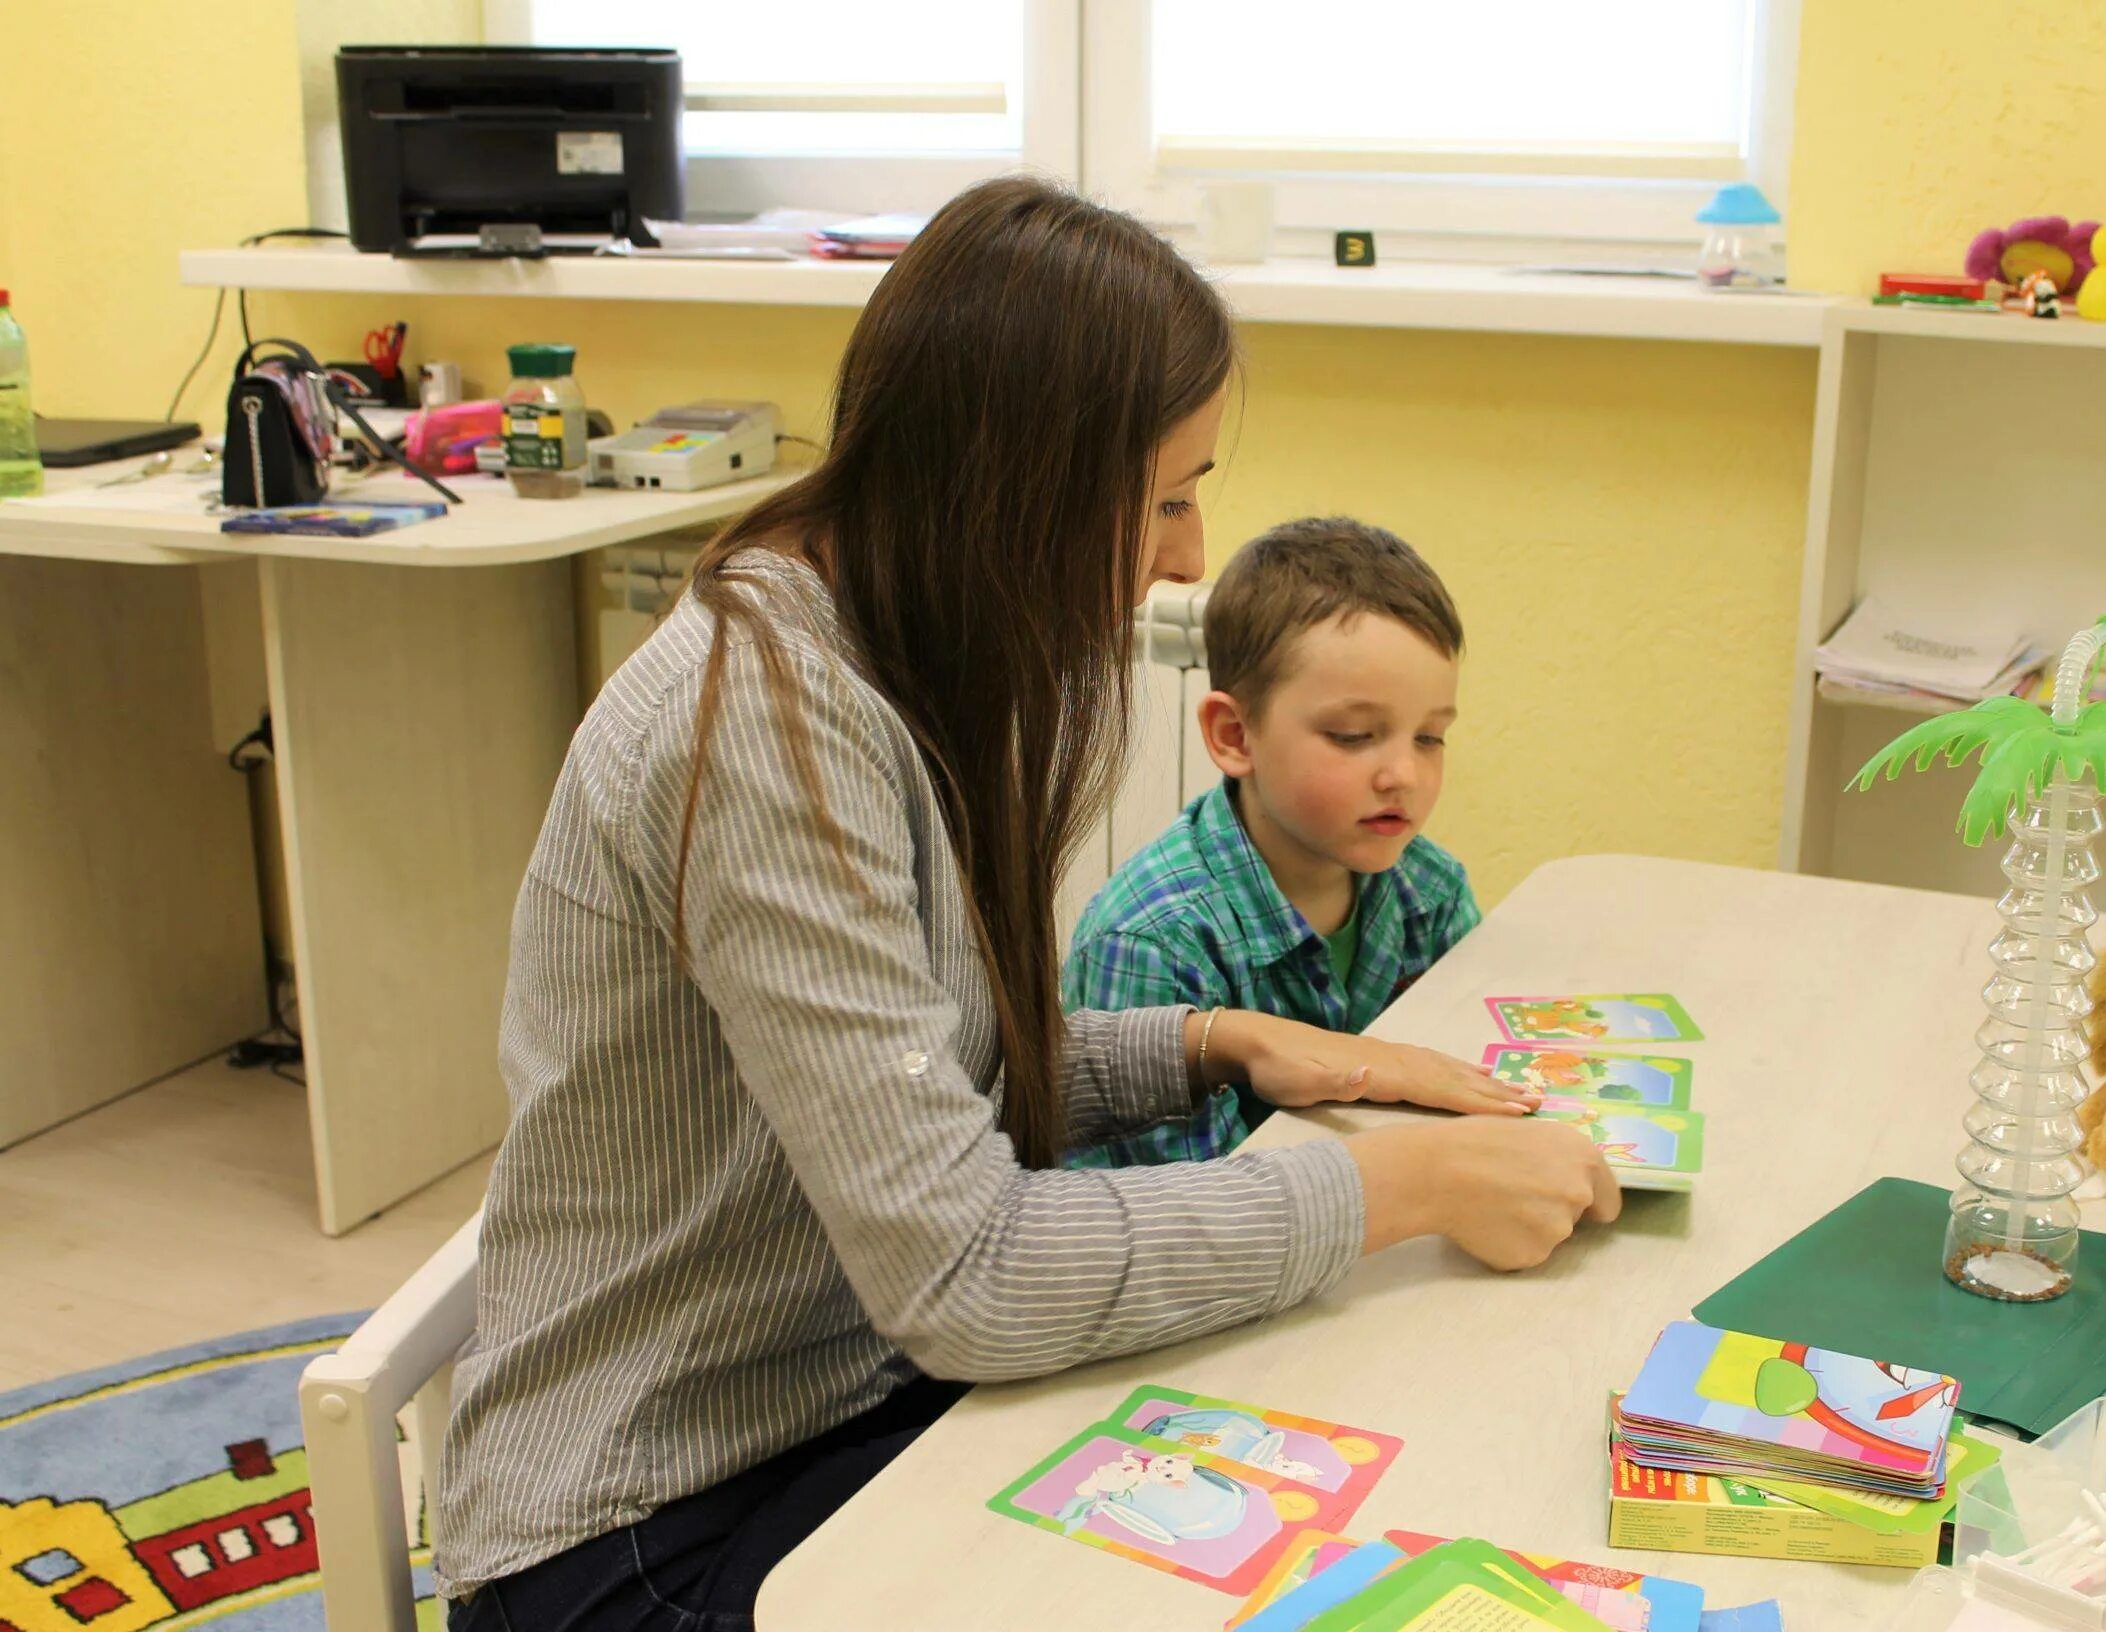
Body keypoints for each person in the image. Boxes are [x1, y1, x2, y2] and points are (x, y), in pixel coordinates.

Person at [436, 176, 1618, 1631]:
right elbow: (969, 1272)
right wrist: (1394, 1188)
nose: (1187, 553)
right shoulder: (754, 720)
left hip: (839, 1398)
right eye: (1169, 497)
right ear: (1023, 482)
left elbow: (926, 1077)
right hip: (641, 1520)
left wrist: (1211, 1044)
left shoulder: (888, 647)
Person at [1064, 517, 1480, 1166]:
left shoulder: (1430, 889)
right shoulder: (1150, 943)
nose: (1403, 774)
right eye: (1351, 735)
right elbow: (1179, 1219)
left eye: (1429, 737)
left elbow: (1462, 1082)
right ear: (1233, 735)